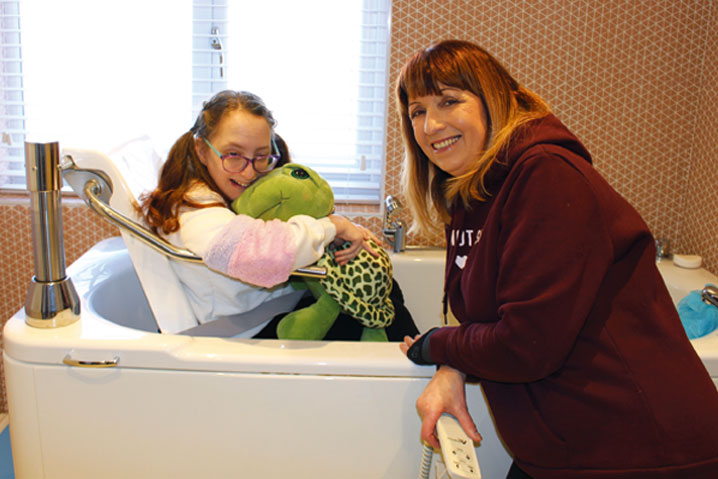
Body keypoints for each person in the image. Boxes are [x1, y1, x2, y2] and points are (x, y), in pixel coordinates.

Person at [396, 40, 718, 478]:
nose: (431, 124)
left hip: (641, 451)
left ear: (492, 100)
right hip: (567, 446)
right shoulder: (476, 192)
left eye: (448, 101)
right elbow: (501, 321)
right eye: (416, 111)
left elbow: (524, 344)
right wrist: (452, 363)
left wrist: (436, 344)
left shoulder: (545, 174)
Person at [140, 90, 376, 337]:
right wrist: (332, 227)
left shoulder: (221, 194)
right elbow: (261, 255)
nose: (249, 173)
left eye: (261, 156)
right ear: (201, 150)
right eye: (233, 155)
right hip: (249, 331)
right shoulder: (195, 212)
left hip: (270, 311)